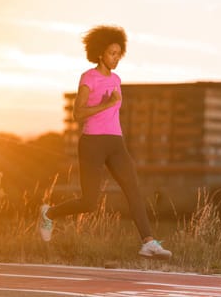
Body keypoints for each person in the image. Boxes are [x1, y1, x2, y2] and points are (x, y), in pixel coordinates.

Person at [38, 25, 171, 259]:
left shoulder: (117, 79)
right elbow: (77, 114)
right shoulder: (88, 78)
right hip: (92, 144)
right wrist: (108, 104)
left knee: (133, 189)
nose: (116, 57)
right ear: (100, 53)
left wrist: (112, 109)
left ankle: (148, 242)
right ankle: (49, 214)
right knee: (89, 202)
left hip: (115, 143)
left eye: (119, 53)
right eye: (112, 53)